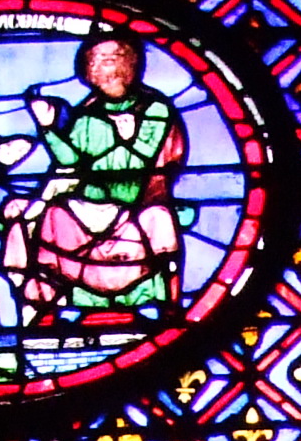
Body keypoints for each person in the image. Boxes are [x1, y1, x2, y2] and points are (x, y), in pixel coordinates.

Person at [20, 30, 187, 326]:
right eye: (93, 64)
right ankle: (48, 309)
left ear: (131, 65)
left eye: (109, 61)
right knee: (54, 215)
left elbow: (136, 164)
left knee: (161, 221)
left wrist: (123, 139)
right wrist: (48, 128)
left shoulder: (155, 109)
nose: (100, 71)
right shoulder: (86, 115)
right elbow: (71, 162)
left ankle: (171, 307)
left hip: (139, 203)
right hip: (91, 206)